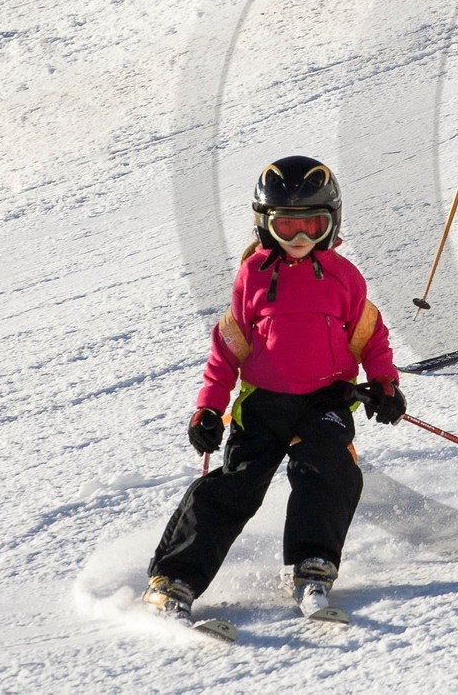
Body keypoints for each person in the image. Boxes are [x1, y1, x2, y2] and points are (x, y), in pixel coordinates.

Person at [142, 156, 406, 624]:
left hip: (327, 400)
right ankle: (174, 579)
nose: (300, 237)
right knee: (238, 483)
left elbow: (370, 334)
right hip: (263, 402)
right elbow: (228, 347)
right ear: (264, 224)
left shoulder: (345, 277)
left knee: (327, 469)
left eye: (312, 225)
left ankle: (312, 564)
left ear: (332, 222)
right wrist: (208, 408)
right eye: (287, 226)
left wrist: (385, 384)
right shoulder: (253, 275)